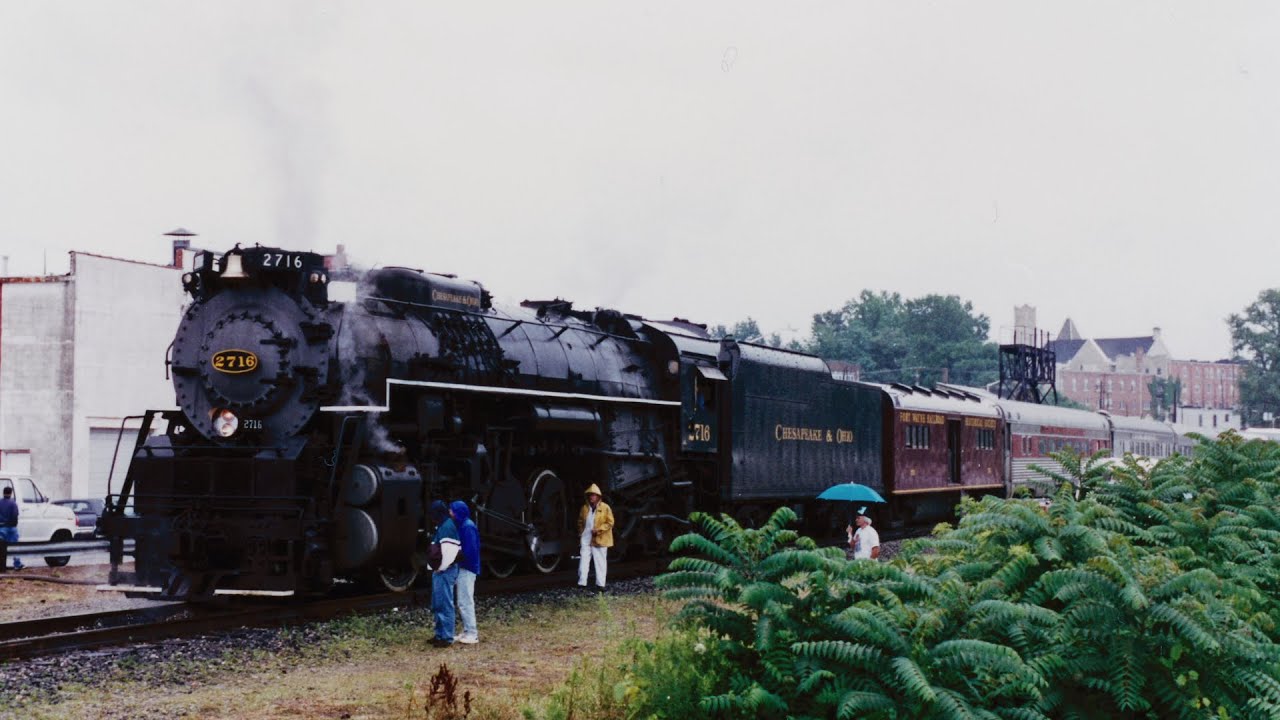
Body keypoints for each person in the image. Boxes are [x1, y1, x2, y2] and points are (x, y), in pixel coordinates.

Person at [429, 500, 461, 647]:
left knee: (445, 604)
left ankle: (447, 637)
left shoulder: (446, 527)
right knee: (438, 603)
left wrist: (440, 568)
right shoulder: (443, 525)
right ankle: (440, 634)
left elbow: (449, 553)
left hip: (444, 570)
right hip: (441, 570)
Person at [450, 500, 480, 645]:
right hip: (464, 566)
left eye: (452, 511)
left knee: (465, 601)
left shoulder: (467, 527)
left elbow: (469, 551)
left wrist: (454, 556)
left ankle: (472, 633)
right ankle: (468, 631)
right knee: (463, 600)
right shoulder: (465, 525)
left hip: (467, 568)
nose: (450, 513)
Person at [577, 483, 614, 592]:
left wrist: (599, 530)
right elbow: (580, 521)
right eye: (590, 495)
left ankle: (600, 585)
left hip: (600, 538)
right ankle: (582, 583)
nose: (591, 497)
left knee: (600, 561)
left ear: (598, 496)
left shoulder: (605, 507)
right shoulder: (584, 508)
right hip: (586, 537)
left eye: (593, 495)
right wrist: (581, 533)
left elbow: (610, 522)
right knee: (583, 560)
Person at [0, 487, 21, 571]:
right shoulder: (13, 503)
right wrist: (13, 525)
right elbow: (15, 515)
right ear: (11, 493)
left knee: (1, 548)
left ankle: (2, 567)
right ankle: (17, 564)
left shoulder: (0, 503)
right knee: (14, 547)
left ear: (3, 493)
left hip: (1, 528)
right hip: (11, 528)